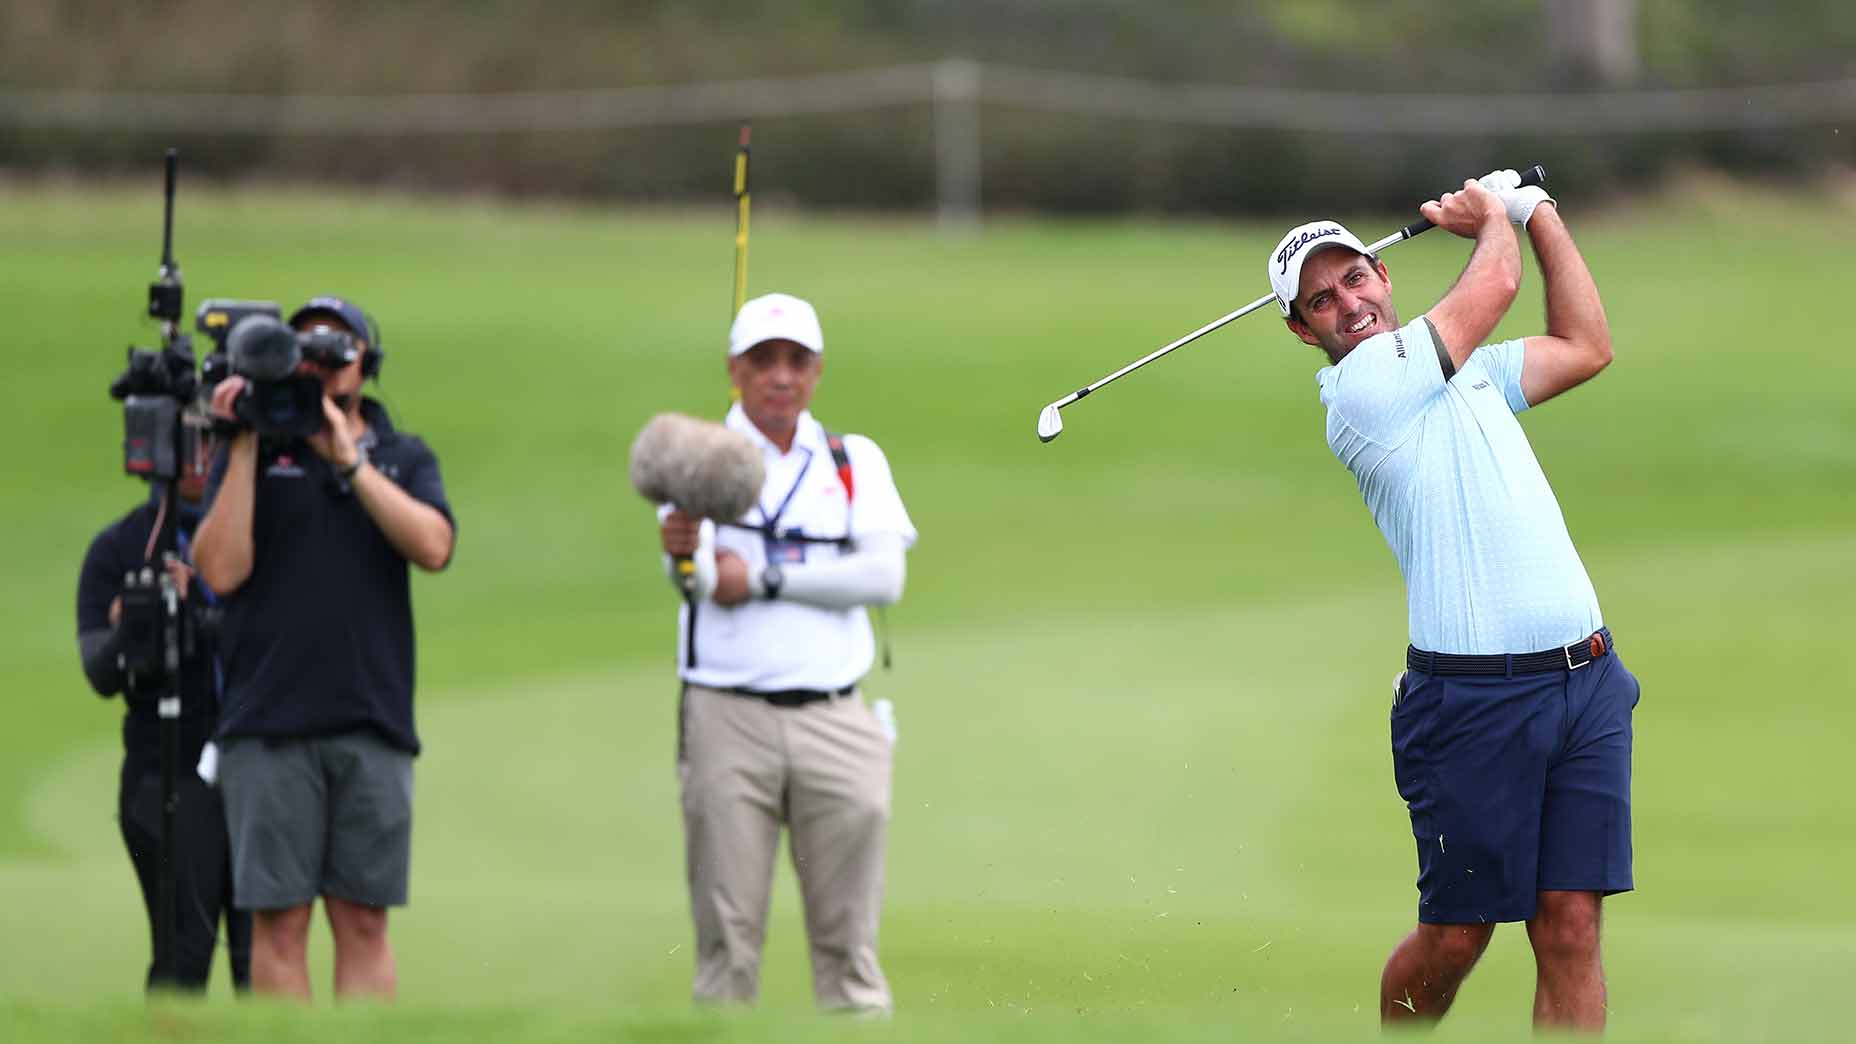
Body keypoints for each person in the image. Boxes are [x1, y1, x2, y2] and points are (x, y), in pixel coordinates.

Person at [1268, 173, 1638, 1031]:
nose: (1348, 304)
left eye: (1354, 277)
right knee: (1457, 938)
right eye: (1321, 301)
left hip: (1587, 680)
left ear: (1382, 274)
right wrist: (1491, 217)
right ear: (1302, 330)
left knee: (1572, 926)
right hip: (1472, 702)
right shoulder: (1364, 392)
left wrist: (1539, 214)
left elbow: (1586, 345)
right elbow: (1496, 283)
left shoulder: (1466, 370)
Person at [657, 292, 917, 1013]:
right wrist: (685, 554)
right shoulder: (698, 459)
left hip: (835, 716)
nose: (780, 376)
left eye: (796, 361)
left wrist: (765, 579)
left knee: (850, 948)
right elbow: (700, 582)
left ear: (817, 371)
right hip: (726, 716)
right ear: (734, 369)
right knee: (726, 945)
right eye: (763, 360)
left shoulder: (852, 460)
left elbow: (883, 577)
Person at [191, 296, 456, 1000]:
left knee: (364, 920)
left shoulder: (400, 456)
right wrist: (243, 442)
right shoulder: (251, 450)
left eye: (338, 349)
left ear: (367, 364)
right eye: (304, 349)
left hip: (371, 718)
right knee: (278, 924)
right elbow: (220, 571)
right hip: (268, 718)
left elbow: (434, 546)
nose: (321, 362)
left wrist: (350, 463)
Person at [76, 463, 252, 992]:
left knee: (264, 958)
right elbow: (101, 673)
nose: (202, 457)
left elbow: (281, 642)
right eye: (189, 439)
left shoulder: (259, 532)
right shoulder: (119, 549)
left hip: (260, 769)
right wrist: (136, 624)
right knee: (183, 955)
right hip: (164, 774)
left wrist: (195, 607)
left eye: (212, 438)